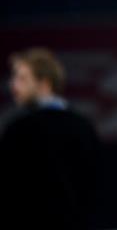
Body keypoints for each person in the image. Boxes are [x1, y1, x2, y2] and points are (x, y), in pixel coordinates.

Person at [0, 47, 101, 229]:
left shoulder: (19, 129)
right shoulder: (83, 126)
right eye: (14, 78)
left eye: (22, 79)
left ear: (44, 84)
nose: (13, 85)